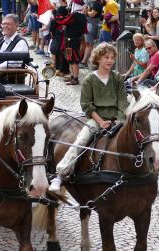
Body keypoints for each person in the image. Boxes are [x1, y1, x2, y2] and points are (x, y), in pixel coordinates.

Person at [49, 43, 129, 192]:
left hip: (117, 118)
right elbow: (87, 104)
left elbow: (123, 101)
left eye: (112, 58)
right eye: (106, 57)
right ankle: (61, 173)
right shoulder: (89, 80)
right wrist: (100, 122)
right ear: (98, 58)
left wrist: (119, 119)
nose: (110, 61)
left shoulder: (117, 78)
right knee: (81, 140)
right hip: (96, 119)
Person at [59, 7, 87, 85]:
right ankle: (72, 76)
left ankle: (75, 78)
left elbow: (62, 21)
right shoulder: (82, 16)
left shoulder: (75, 15)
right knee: (70, 59)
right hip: (71, 40)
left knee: (74, 60)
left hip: (72, 41)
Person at [79, 0, 102, 68]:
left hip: (92, 24)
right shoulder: (88, 2)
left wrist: (86, 11)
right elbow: (83, 11)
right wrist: (86, 11)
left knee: (89, 43)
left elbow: (92, 14)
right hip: (86, 24)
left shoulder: (97, 3)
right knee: (84, 42)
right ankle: (80, 60)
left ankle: (84, 62)